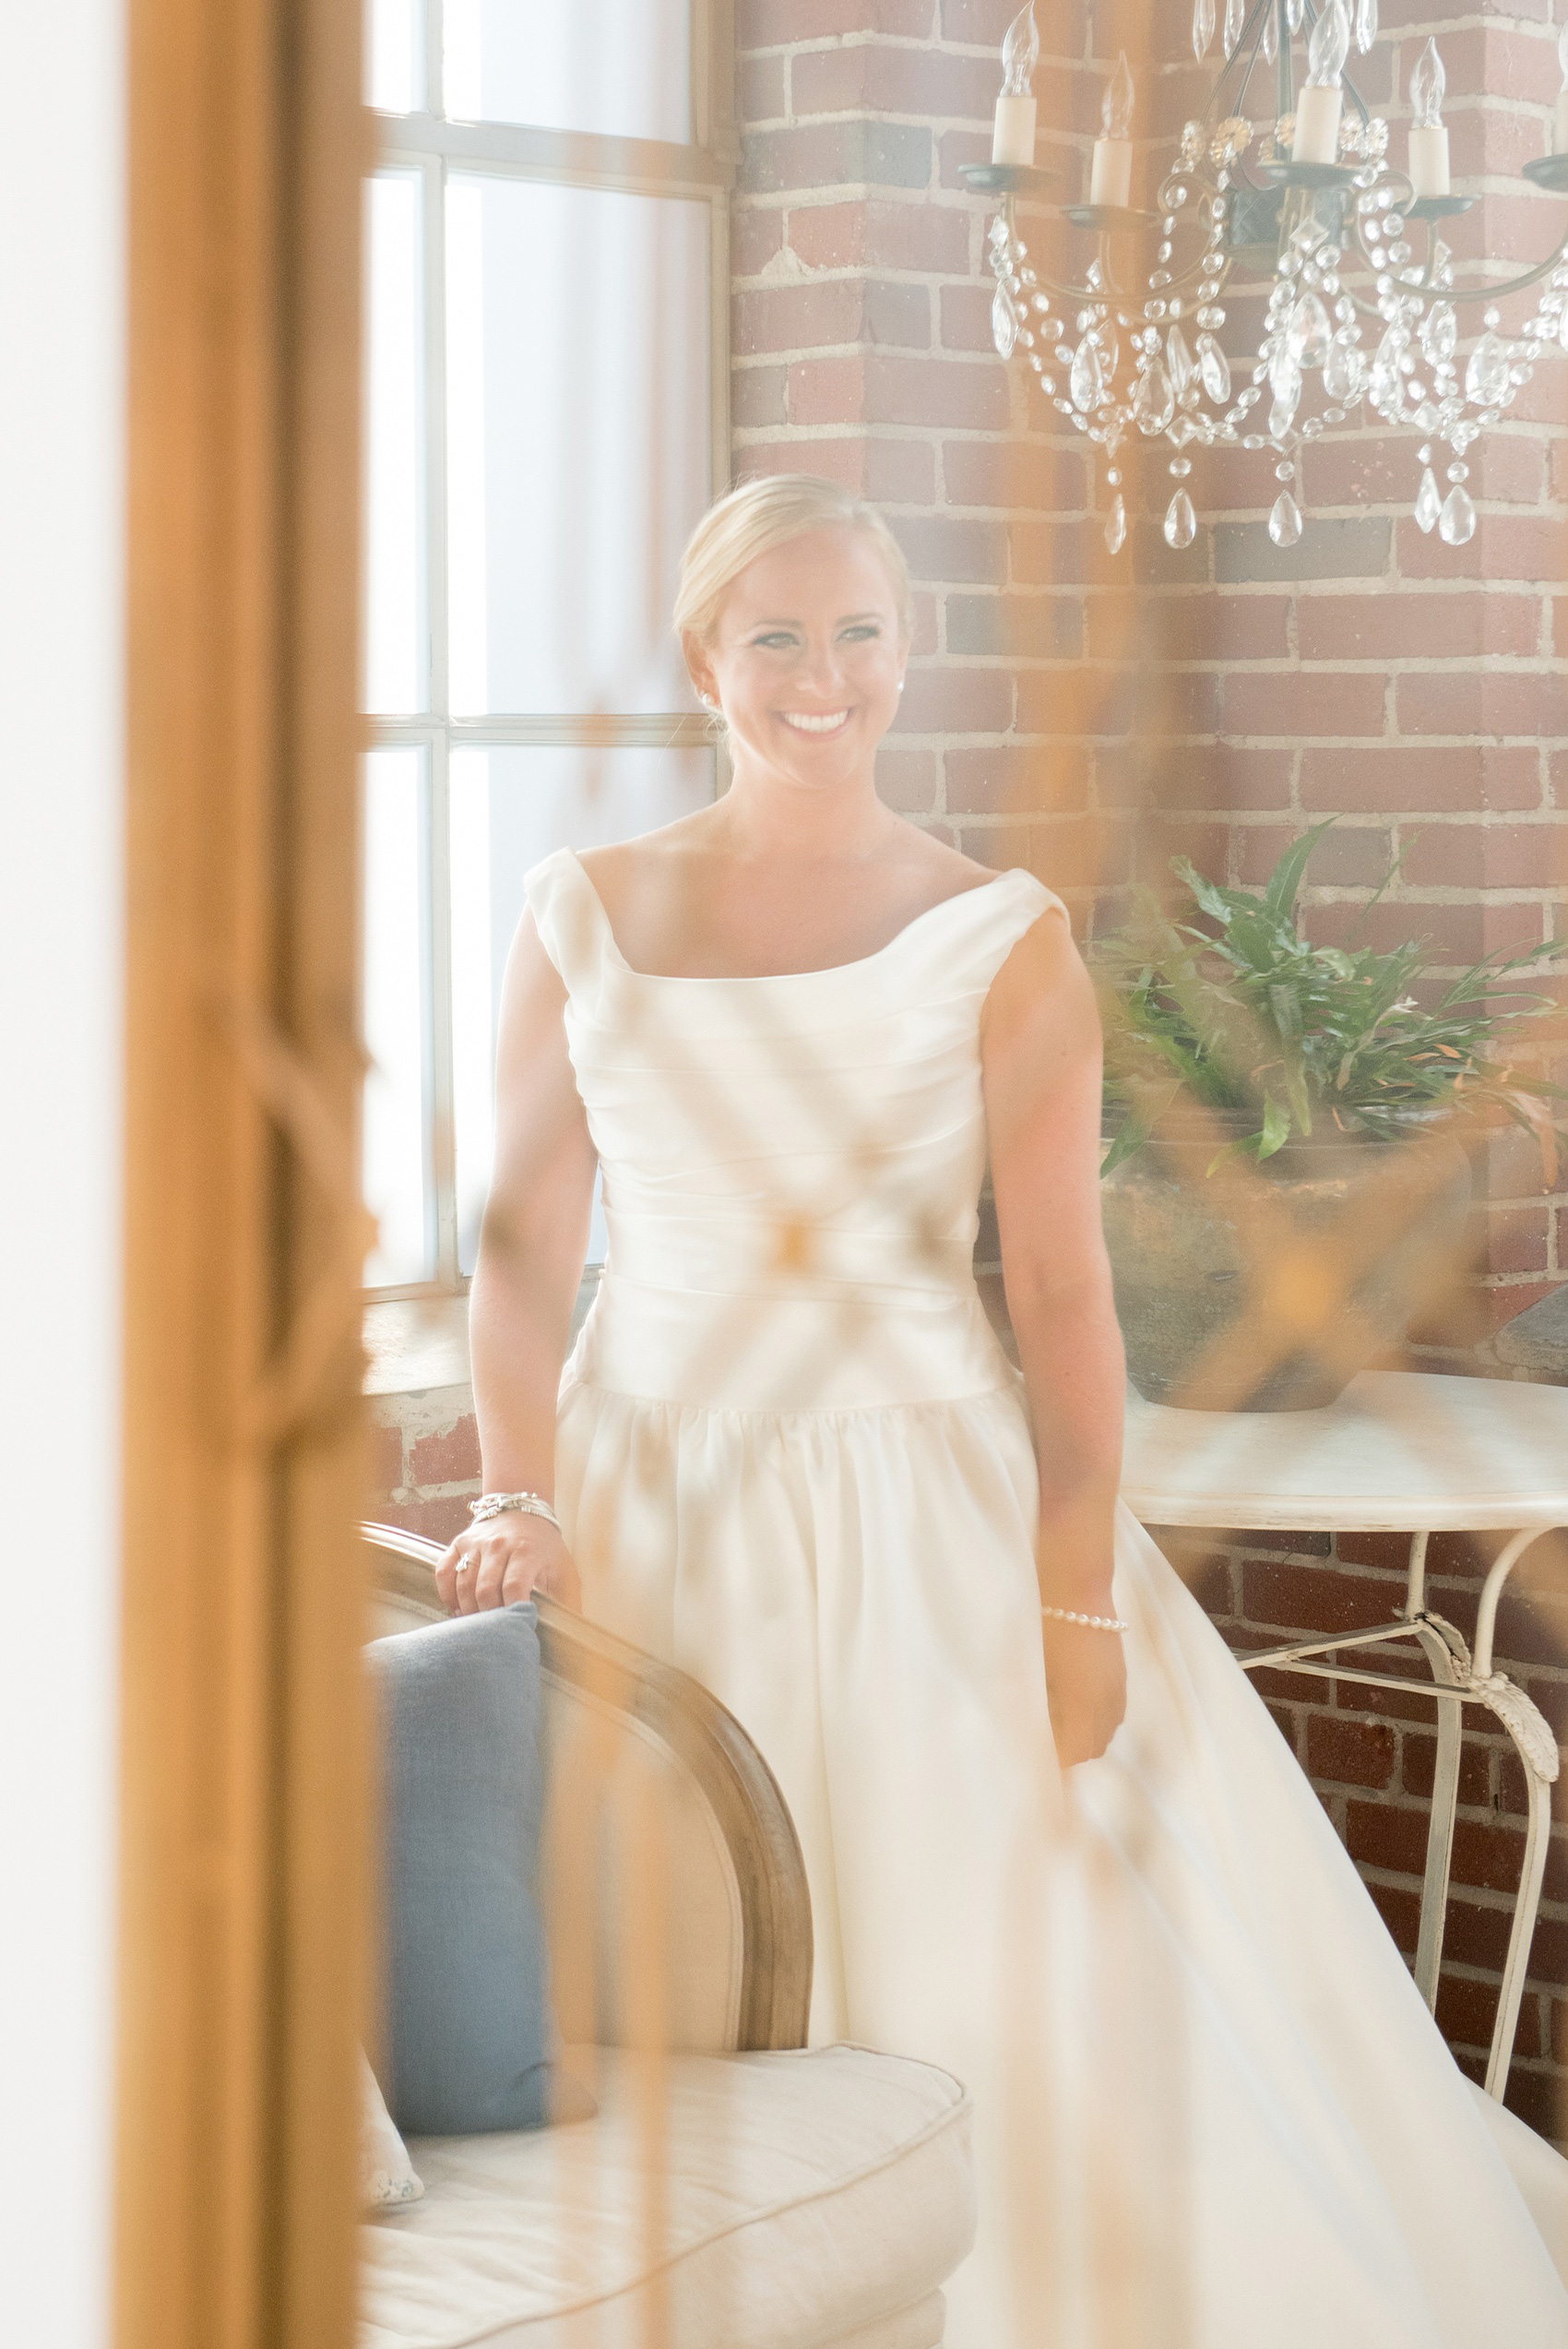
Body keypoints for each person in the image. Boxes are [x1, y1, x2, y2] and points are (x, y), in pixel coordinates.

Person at [438, 471, 1568, 2344]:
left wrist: (1071, 1602)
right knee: (669, 1986)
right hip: (649, 1498)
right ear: (707, 657)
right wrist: (518, 1488)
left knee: (1000, 1970)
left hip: (922, 1509)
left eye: (862, 630)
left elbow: (1059, 1296)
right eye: (778, 634)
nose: (824, 675)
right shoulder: (583, 914)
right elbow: (516, 1262)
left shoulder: (997, 933)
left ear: (915, 651)